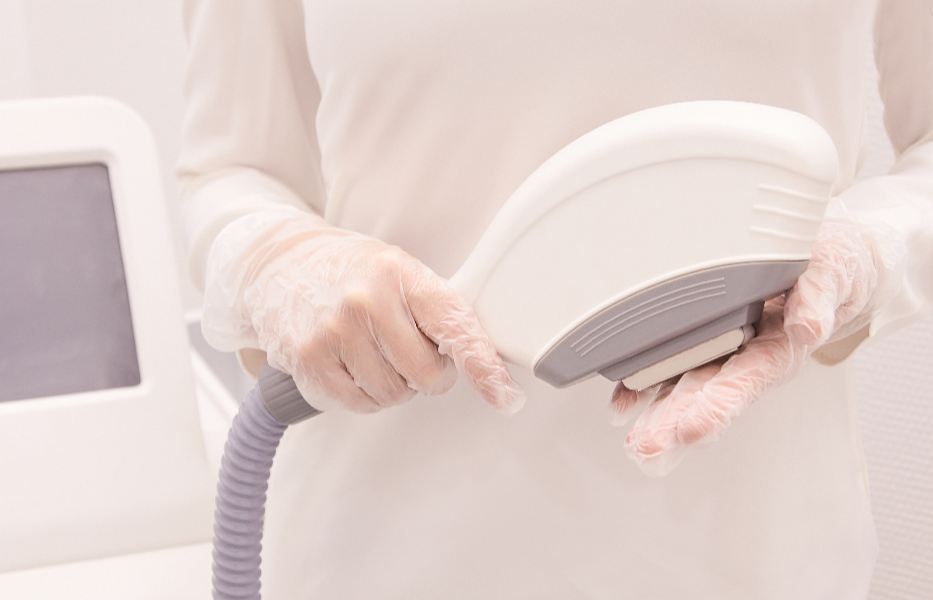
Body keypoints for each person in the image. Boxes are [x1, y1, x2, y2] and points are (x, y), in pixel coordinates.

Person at [177, 1, 933, 597]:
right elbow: (231, 169)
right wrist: (278, 262)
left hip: (751, 548)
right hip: (383, 547)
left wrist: (871, 250)